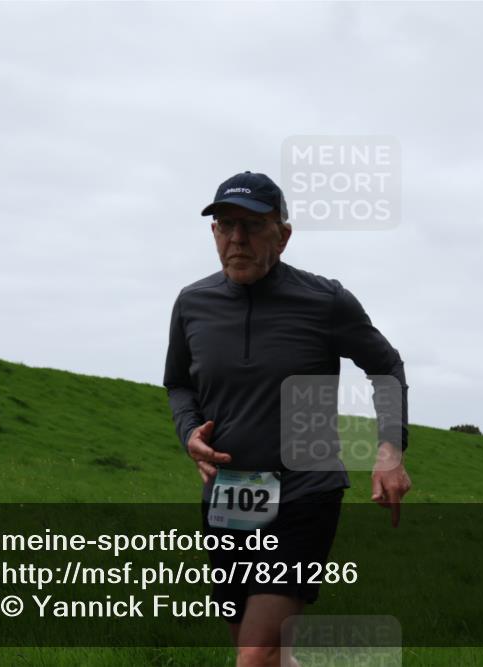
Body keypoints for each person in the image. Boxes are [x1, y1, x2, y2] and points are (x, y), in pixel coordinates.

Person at [163, 171, 411, 667]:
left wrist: (389, 448)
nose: (237, 239)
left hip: (304, 493)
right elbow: (178, 383)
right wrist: (189, 431)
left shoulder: (324, 302)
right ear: (213, 233)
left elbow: (385, 366)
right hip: (229, 497)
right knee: (270, 655)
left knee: (254, 656)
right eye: (226, 225)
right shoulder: (193, 304)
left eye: (253, 226)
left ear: (283, 234)